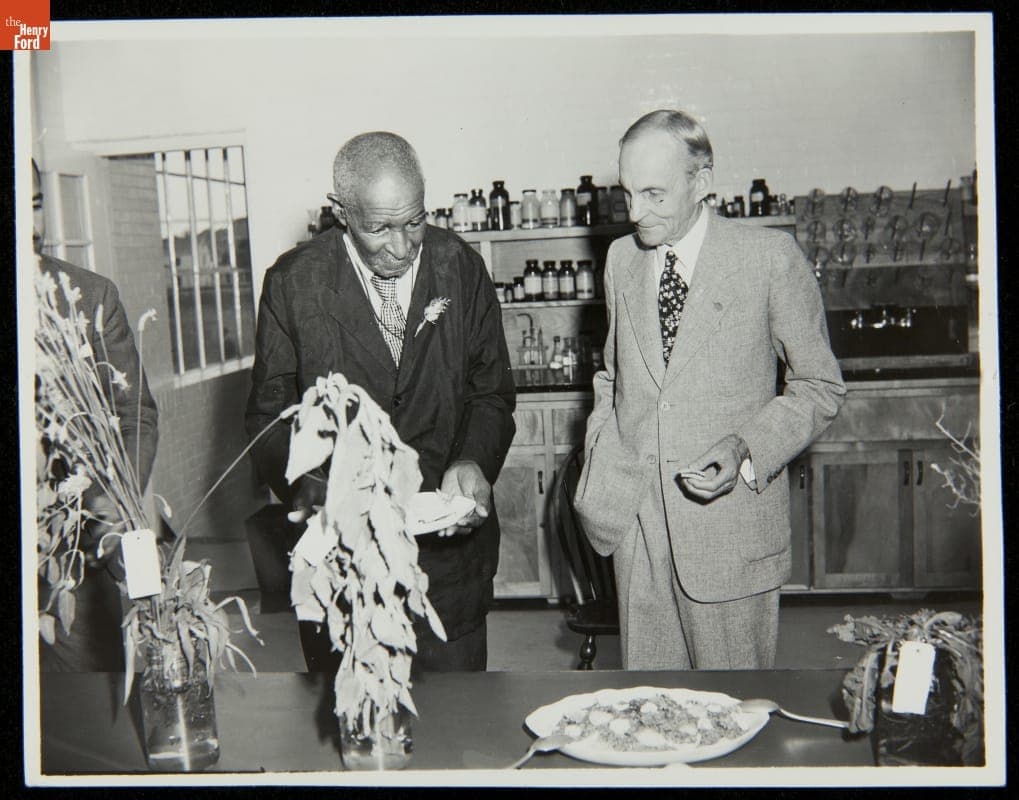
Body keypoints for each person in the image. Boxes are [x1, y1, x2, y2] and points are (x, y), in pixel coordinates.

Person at [574, 110, 845, 670]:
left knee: (733, 712)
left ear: (702, 182)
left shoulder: (769, 260)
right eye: (627, 193)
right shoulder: (621, 260)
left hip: (729, 531)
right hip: (639, 528)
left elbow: (819, 385)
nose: (636, 213)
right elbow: (613, 376)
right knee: (652, 709)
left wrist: (746, 446)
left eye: (654, 194)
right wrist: (605, 452)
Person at [245, 132, 515, 673]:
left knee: (459, 733)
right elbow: (268, 419)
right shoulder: (295, 283)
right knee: (355, 731)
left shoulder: (460, 267)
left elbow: (490, 391)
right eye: (379, 228)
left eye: (414, 221)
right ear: (340, 212)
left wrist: (472, 462)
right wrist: (312, 488)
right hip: (343, 565)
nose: (402, 245)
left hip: (448, 566)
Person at [33, 159, 160, 672]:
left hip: (82, 557)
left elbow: (136, 417)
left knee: (92, 708)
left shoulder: (89, 298)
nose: (32, 224)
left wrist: (104, 510)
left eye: (37, 205)